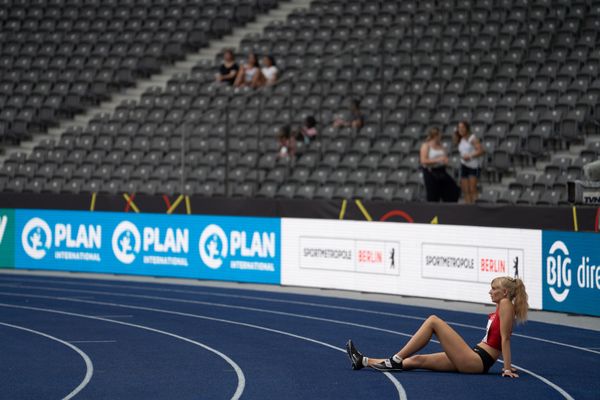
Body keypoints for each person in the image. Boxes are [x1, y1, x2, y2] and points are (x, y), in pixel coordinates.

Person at [346, 276, 528, 378]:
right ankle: (363, 361)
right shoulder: (502, 304)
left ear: (504, 292)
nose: (490, 291)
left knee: (433, 321)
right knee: (417, 360)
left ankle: (397, 357)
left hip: (477, 361)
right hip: (474, 356)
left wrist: (506, 368)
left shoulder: (505, 304)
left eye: (493, 288)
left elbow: (505, 338)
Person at [420, 127, 459, 202]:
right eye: (440, 135)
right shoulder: (426, 145)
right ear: (435, 136)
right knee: (433, 195)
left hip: (441, 170)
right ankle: (434, 213)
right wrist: (438, 160)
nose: (441, 136)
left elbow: (444, 158)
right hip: (430, 172)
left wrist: (446, 161)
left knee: (453, 190)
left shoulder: (441, 146)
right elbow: (423, 160)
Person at [454, 121, 485, 204]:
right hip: (464, 166)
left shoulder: (472, 138)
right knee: (465, 190)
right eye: (459, 128)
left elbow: (481, 151)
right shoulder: (460, 139)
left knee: (472, 189)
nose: (461, 129)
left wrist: (470, 156)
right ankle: (468, 209)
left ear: (467, 128)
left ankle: (475, 209)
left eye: (462, 127)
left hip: (473, 167)